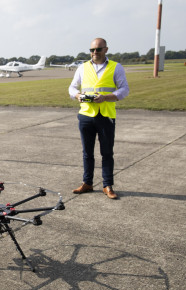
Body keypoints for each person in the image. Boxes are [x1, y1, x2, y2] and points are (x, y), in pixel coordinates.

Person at [68, 38, 129, 199]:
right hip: (86, 115)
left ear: (106, 50)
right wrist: (78, 95)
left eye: (98, 49)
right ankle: (87, 183)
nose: (95, 52)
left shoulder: (116, 67)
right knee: (87, 153)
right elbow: (72, 87)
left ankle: (107, 185)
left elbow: (124, 90)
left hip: (106, 115)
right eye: (92, 50)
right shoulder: (83, 67)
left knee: (107, 152)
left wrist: (107, 97)